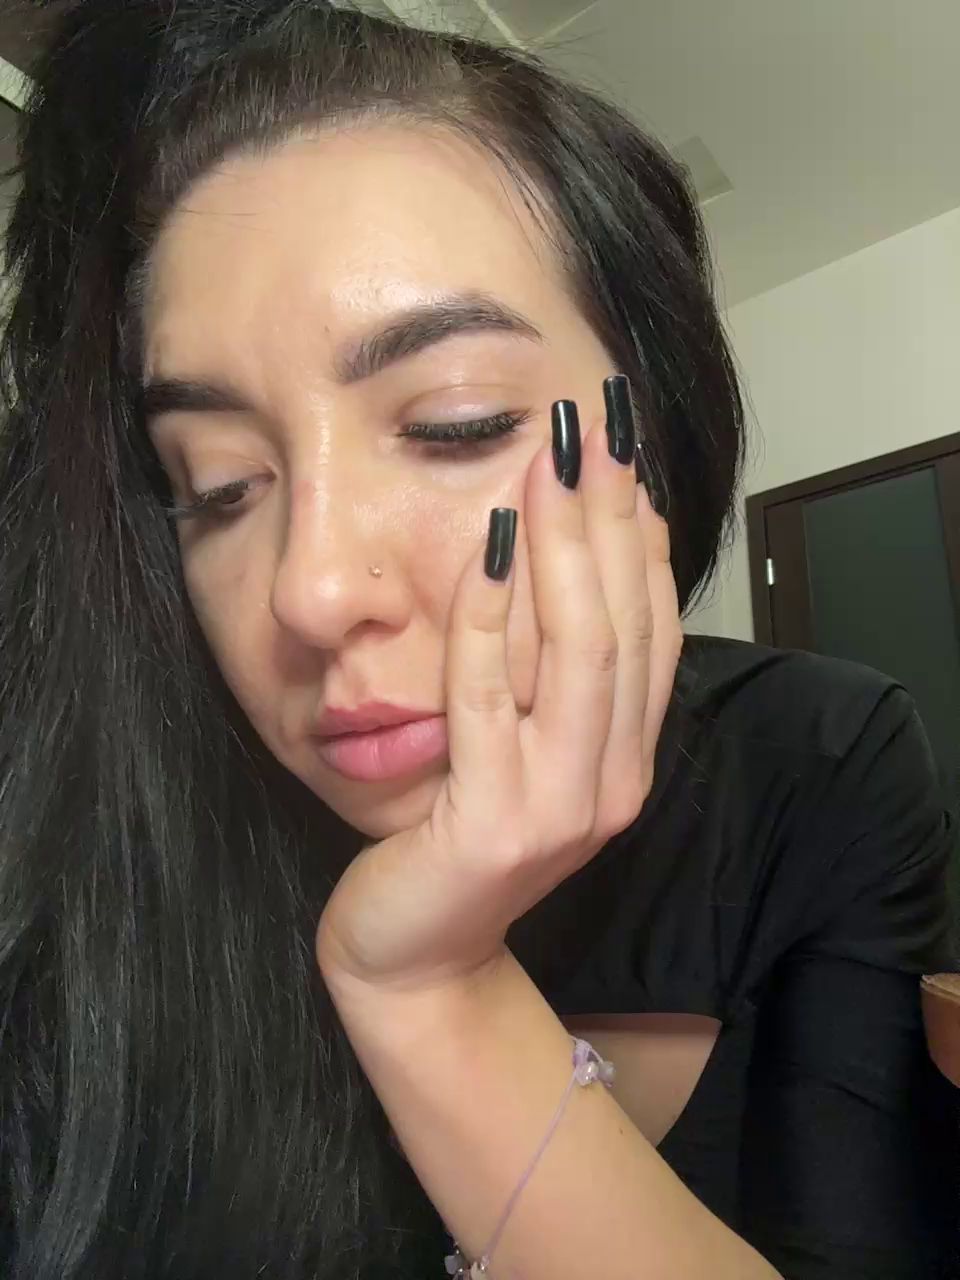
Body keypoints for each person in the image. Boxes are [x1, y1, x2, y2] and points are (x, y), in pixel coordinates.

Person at [0, 2, 954, 1278]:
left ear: (655, 438)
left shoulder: (820, 752)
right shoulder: (103, 849)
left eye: (454, 423)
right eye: (218, 487)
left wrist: (434, 988)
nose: (310, 589)